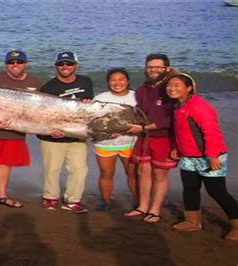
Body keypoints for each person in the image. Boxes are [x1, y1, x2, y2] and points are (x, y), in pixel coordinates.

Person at [167, 73, 238, 240]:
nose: (171, 88)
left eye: (177, 85)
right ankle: (192, 222)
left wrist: (213, 156)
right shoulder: (179, 106)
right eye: (169, 85)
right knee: (190, 189)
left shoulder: (198, 105)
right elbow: (183, 131)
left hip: (210, 156)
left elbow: (211, 132)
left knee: (217, 192)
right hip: (189, 157)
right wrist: (177, 147)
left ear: (189, 88)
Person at [0, 50, 42, 208]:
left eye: (19, 62)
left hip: (16, 131)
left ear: (25, 64)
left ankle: (2, 195)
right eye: (11, 62)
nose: (15, 65)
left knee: (6, 163)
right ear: (6, 64)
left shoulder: (35, 82)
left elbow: (40, 108)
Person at [37, 51, 93, 213]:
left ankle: (73, 200)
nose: (65, 67)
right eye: (61, 64)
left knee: (79, 169)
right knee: (52, 169)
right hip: (53, 136)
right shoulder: (48, 87)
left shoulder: (86, 82)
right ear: (56, 67)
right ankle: (50, 197)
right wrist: (51, 130)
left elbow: (86, 110)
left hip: (76, 136)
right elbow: (43, 114)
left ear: (76, 65)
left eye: (69, 64)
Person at [124, 54, 177, 224]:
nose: (153, 70)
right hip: (145, 136)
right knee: (142, 172)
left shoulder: (172, 88)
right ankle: (142, 206)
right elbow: (140, 113)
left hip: (164, 137)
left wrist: (145, 127)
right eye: (150, 67)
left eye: (158, 67)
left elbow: (170, 119)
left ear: (167, 68)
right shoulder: (142, 89)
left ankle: (155, 210)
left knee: (159, 174)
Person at [93, 68, 137, 211]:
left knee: (133, 174)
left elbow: (144, 119)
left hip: (130, 143)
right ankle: (106, 201)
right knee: (106, 174)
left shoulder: (137, 97)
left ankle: (139, 202)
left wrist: (127, 129)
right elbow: (92, 121)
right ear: (108, 82)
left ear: (127, 81)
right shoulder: (100, 98)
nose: (117, 83)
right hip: (106, 143)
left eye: (121, 79)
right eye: (113, 80)